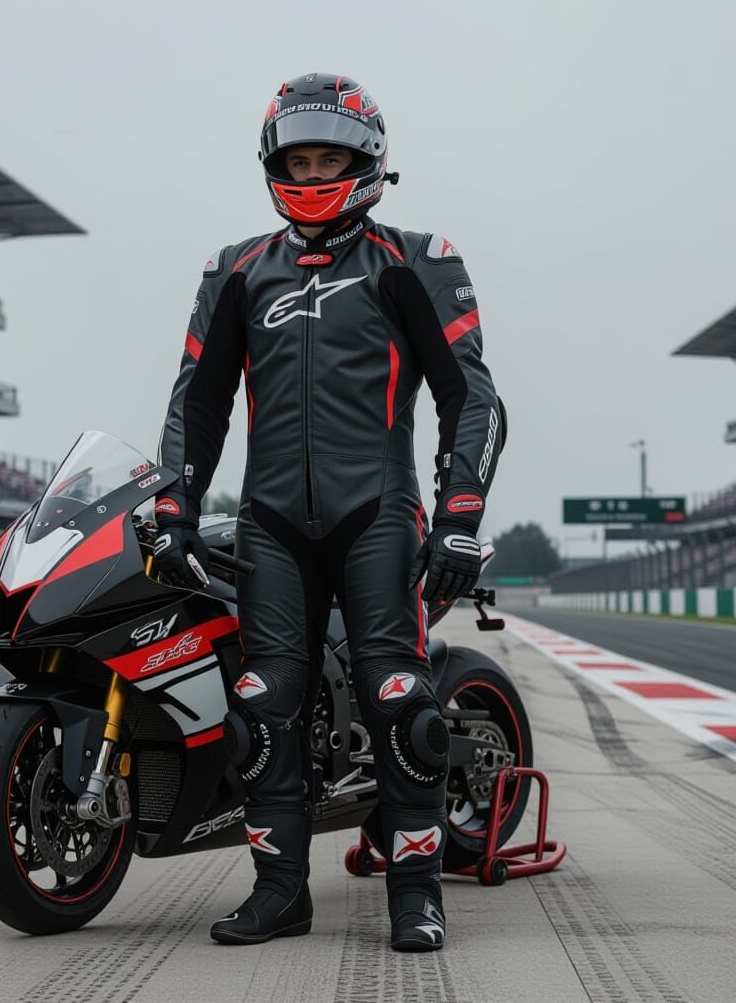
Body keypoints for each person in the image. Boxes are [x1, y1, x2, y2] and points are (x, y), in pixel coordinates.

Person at [153, 73, 505, 952]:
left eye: (330, 160)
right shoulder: (235, 270)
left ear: (367, 163)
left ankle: (416, 895)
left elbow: (473, 398)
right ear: (274, 165)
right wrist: (175, 508)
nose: (312, 175)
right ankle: (281, 894)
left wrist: (459, 517)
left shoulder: (417, 259)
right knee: (261, 707)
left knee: (400, 702)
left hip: (378, 514)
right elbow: (199, 402)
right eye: (299, 160)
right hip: (271, 523)